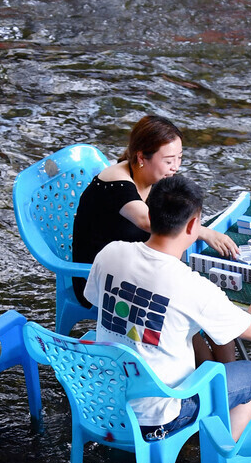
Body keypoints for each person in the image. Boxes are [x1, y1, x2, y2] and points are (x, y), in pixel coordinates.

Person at [83, 174, 251, 441]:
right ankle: (221, 458)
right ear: (193, 225)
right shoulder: (191, 286)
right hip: (156, 418)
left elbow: (97, 302)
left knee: (189, 330)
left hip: (102, 402)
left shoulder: (110, 253)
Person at [72, 114, 238, 363]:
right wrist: (201, 230)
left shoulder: (154, 179)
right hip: (103, 275)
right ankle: (219, 380)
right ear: (141, 157)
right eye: (169, 160)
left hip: (138, 266)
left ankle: (219, 375)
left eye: (179, 158)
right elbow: (149, 220)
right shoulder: (116, 182)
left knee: (197, 314)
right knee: (187, 316)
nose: (176, 167)